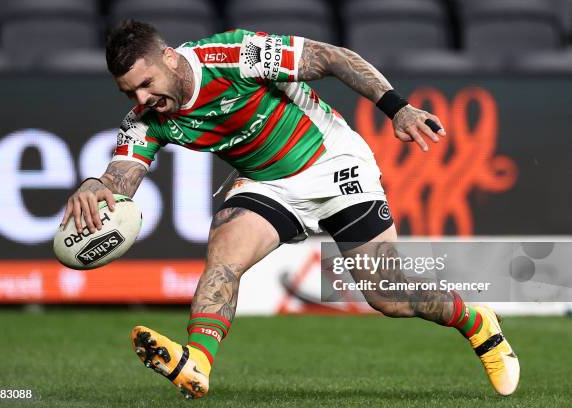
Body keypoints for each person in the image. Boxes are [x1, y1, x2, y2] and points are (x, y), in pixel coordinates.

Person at [61, 20, 519, 399]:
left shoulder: (233, 56)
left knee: (387, 295)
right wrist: (94, 185)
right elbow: (121, 180)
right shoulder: (147, 118)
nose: (141, 101)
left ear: (171, 59)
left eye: (145, 84)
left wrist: (397, 109)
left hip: (333, 162)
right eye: (129, 94)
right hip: (267, 183)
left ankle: (477, 322)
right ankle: (196, 362)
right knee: (224, 252)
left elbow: (334, 57)